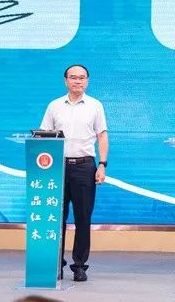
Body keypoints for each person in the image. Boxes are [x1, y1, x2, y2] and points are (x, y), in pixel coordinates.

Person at [40, 64, 109, 282]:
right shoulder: (54, 106)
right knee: (55, 216)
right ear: (65, 81)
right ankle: (55, 263)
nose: (77, 81)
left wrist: (102, 165)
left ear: (87, 81)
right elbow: (44, 136)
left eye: (81, 77)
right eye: (73, 77)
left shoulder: (95, 106)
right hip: (57, 167)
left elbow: (102, 136)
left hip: (84, 166)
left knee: (83, 218)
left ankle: (79, 265)